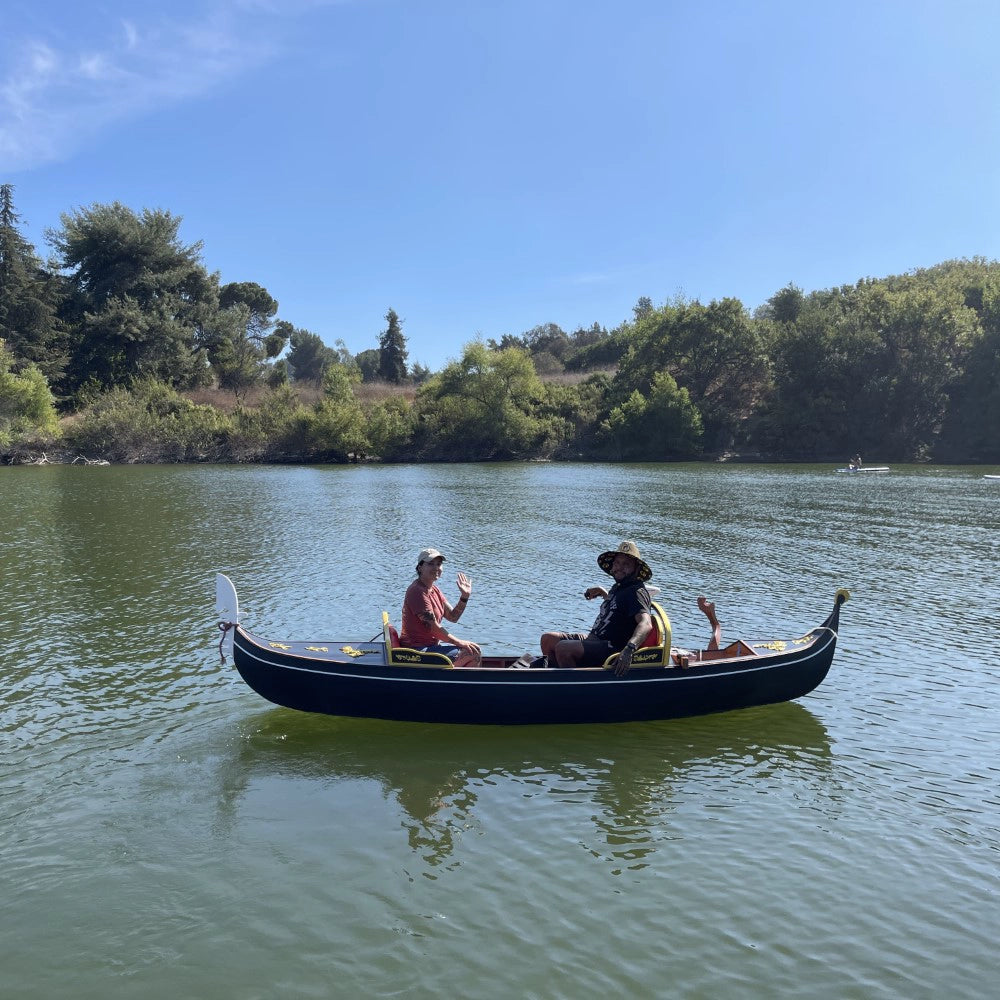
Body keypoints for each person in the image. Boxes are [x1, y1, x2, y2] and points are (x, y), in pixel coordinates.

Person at [539, 540, 653, 677]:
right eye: (617, 562)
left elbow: (646, 624)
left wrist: (629, 649)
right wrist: (603, 593)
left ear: (635, 569)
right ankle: (555, 677)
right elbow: (617, 610)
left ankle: (573, 689)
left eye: (626, 564)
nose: (619, 567)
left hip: (612, 647)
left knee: (563, 649)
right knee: (547, 639)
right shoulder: (620, 587)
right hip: (595, 639)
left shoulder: (636, 591)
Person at [400, 547, 482, 667]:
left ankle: (456, 683)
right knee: (473, 653)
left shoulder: (434, 590)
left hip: (430, 647)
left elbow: (453, 617)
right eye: (431, 564)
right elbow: (433, 627)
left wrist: (464, 596)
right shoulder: (417, 591)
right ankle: (459, 684)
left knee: (474, 649)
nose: (436, 568)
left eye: (439, 564)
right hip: (415, 651)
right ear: (420, 567)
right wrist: (460, 642)